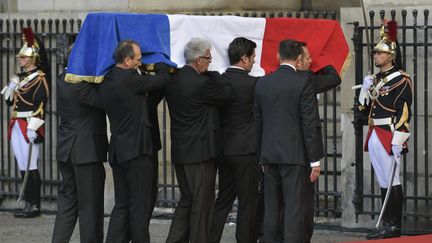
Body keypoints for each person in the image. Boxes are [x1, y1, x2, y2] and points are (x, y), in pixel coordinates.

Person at [98, 40, 170, 243]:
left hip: (119, 151)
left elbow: (144, 101)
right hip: (138, 152)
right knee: (140, 206)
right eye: (138, 59)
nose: (141, 62)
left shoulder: (108, 79)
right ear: (127, 60)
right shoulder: (130, 80)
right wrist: (161, 60)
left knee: (121, 205)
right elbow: (163, 80)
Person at [165, 37, 234, 243]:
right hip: (201, 153)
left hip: (181, 151)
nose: (210, 61)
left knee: (187, 200)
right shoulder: (202, 83)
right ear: (197, 60)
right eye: (208, 58)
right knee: (202, 205)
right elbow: (227, 94)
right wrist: (216, 74)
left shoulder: (173, 80)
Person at [254, 39, 321, 243]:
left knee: (272, 207)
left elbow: (257, 121)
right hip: (295, 154)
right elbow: (309, 123)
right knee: (294, 207)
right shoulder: (303, 82)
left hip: (269, 153)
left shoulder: (263, 82)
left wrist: (260, 154)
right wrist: (315, 159)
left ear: (277, 56)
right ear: (299, 58)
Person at [359, 21, 412, 240]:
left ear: (390, 56)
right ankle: (386, 224)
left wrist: (399, 140)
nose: (375, 56)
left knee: (393, 180)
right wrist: (364, 89)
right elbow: (363, 108)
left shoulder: (401, 79)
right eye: (375, 53)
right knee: (383, 180)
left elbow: (405, 111)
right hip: (374, 133)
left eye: (380, 53)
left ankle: (394, 226)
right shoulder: (375, 79)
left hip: (389, 134)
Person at [52, 41, 108, 243]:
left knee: (67, 204)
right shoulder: (81, 86)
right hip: (85, 152)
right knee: (90, 207)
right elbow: (105, 101)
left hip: (67, 149)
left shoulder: (62, 79)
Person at [209, 37, 261, 243]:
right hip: (246, 150)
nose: (255, 62)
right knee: (248, 202)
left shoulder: (220, 80)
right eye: (253, 57)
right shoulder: (253, 84)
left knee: (223, 200)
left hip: (224, 149)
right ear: (244, 58)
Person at [295, 42, 341, 242]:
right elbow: (334, 78)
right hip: (303, 151)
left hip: (276, 150)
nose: (311, 60)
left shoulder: (270, 80)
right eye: (308, 58)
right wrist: (321, 58)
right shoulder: (306, 80)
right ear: (298, 61)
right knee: (303, 201)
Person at [1, 27, 49, 218]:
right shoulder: (19, 78)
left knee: (31, 165)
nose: (20, 59)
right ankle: (28, 203)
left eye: (23, 57)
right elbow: (8, 102)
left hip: (29, 124)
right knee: (22, 164)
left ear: (33, 58)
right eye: (20, 57)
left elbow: (41, 104)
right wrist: (11, 87)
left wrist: (33, 127)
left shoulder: (39, 78)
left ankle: (35, 205)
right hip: (16, 124)